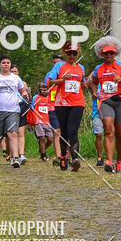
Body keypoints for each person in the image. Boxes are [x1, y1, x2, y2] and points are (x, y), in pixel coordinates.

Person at [86, 37, 121, 174]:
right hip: (105, 102)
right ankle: (109, 161)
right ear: (101, 54)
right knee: (109, 130)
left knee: (120, 134)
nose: (109, 55)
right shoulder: (98, 69)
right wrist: (94, 92)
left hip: (120, 101)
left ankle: (119, 161)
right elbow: (93, 82)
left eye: (111, 53)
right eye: (106, 53)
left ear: (115, 53)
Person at [48, 42, 87, 171]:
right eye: (69, 53)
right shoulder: (59, 66)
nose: (72, 56)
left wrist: (88, 82)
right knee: (64, 132)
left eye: (74, 53)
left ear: (78, 54)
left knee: (73, 131)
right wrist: (62, 80)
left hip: (77, 103)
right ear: (65, 53)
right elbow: (50, 82)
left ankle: (75, 159)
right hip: (62, 103)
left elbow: (83, 84)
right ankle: (63, 158)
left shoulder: (81, 68)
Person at [44, 53, 64, 164]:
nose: (56, 65)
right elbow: (45, 88)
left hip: (65, 105)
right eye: (54, 63)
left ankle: (67, 154)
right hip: (52, 106)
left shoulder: (67, 73)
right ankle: (58, 156)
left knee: (65, 132)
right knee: (57, 131)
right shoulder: (49, 75)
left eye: (58, 63)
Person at [11, 65, 30, 165]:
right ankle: (14, 155)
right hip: (10, 107)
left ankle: (21, 154)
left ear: (18, 72)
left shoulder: (23, 83)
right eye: (12, 71)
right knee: (12, 133)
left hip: (21, 107)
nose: (14, 73)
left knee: (21, 132)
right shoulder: (7, 82)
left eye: (15, 71)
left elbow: (27, 96)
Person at [32, 83, 55, 161]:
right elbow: (32, 108)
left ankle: (42, 150)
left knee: (50, 139)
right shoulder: (36, 98)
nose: (44, 92)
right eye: (42, 90)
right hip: (38, 121)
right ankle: (43, 155)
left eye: (45, 90)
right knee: (42, 138)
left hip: (47, 121)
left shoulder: (49, 98)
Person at [89, 87, 104, 166]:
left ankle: (109, 158)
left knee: (109, 134)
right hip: (96, 114)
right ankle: (99, 157)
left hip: (109, 113)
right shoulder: (95, 85)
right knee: (99, 135)